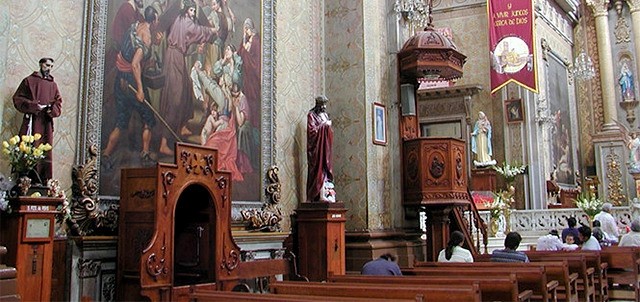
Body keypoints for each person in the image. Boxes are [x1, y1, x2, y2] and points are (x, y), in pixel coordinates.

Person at [102, 6, 159, 168]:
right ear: (154, 20)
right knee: (148, 117)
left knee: (121, 120)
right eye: (157, 19)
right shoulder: (146, 36)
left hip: (120, 77)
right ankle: (145, 153)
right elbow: (135, 64)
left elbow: (129, 51)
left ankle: (106, 154)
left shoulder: (135, 25)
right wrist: (140, 89)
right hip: (132, 79)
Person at [158, 0, 216, 156]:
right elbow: (198, 31)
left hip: (177, 56)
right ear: (186, 11)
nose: (193, 14)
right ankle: (163, 142)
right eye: (191, 11)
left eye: (194, 11)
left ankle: (181, 125)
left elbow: (187, 39)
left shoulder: (179, 19)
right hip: (174, 58)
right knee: (174, 98)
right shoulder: (186, 22)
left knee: (185, 92)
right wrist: (212, 30)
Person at [12, 57, 63, 182]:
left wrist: (51, 109)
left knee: (45, 151)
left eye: (51, 66)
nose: (49, 68)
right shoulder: (29, 81)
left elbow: (58, 102)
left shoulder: (53, 85)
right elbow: (18, 99)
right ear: (40, 64)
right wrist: (33, 106)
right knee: (29, 147)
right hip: (32, 121)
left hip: (45, 122)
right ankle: (27, 180)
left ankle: (44, 181)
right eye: (47, 65)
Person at [307, 96, 334, 202]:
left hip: (325, 149)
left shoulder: (325, 115)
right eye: (321, 104)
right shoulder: (311, 115)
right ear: (317, 104)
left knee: (325, 170)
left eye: (325, 104)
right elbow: (312, 132)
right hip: (317, 150)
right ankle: (317, 195)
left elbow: (329, 132)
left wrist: (328, 128)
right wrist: (324, 126)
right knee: (317, 171)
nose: (324, 107)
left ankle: (327, 193)